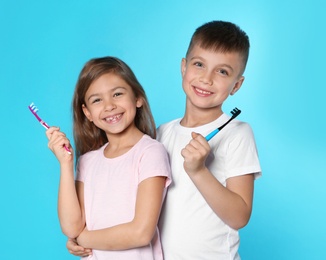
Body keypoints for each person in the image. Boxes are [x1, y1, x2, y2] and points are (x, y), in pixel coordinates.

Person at [67, 21, 261, 259]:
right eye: (199, 64)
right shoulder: (159, 135)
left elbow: (239, 216)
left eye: (222, 71)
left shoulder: (237, 133)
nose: (206, 78)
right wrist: (88, 239)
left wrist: (199, 171)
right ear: (183, 67)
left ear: (237, 85)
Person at [46, 56, 171, 259]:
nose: (109, 105)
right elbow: (71, 228)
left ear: (138, 98)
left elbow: (141, 233)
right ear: (87, 113)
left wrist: (83, 239)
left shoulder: (150, 152)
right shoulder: (87, 161)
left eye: (117, 94)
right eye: (97, 100)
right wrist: (66, 164)